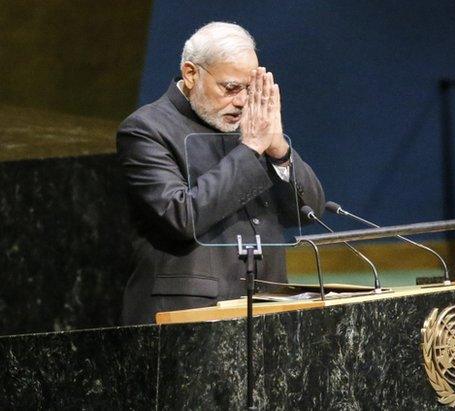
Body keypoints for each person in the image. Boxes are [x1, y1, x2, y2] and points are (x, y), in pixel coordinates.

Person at [116, 22, 324, 325]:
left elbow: (310, 213)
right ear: (191, 74)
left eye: (249, 89)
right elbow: (182, 217)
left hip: (266, 311)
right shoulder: (146, 130)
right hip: (185, 318)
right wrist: (251, 148)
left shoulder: (253, 129)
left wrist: (279, 149)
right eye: (230, 88)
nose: (241, 102)